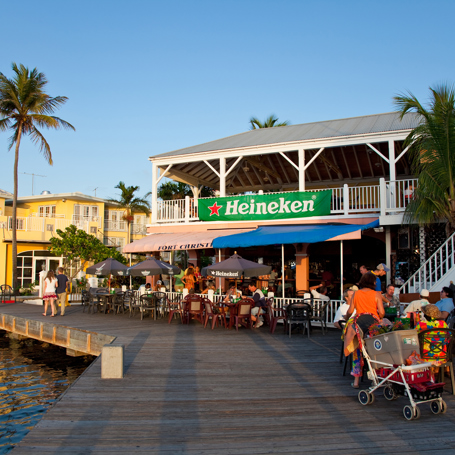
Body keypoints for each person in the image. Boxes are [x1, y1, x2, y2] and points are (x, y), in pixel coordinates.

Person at [344, 272, 385, 388]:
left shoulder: (357, 294)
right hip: (372, 325)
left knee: (357, 351)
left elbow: (351, 310)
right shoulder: (377, 294)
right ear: (373, 282)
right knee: (375, 350)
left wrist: (347, 318)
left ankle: (356, 381)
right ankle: (374, 380)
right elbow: (382, 312)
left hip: (359, 324)